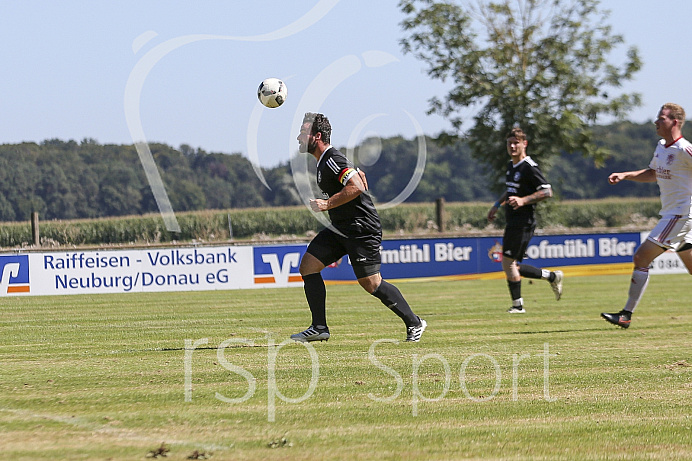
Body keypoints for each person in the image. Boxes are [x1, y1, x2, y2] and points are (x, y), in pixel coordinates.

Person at [290, 112, 426, 342]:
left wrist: (327, 204)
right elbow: (359, 181)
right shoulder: (323, 161)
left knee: (371, 283)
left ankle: (414, 322)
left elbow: (356, 186)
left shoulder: (332, 158)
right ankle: (319, 327)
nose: (299, 138)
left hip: (361, 228)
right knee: (308, 267)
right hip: (341, 227)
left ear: (318, 136)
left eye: (303, 133)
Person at [601, 103, 692, 329]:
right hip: (673, 214)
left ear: (675, 122)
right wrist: (626, 175)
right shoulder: (661, 147)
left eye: (661, 118)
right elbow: (653, 173)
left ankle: (625, 315)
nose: (656, 122)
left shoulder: (684, 149)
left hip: (680, 215)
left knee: (641, 258)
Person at [487, 127, 564, 313]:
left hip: (524, 221)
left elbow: (547, 191)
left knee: (508, 263)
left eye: (516, 143)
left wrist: (523, 200)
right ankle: (552, 277)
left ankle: (518, 305)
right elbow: (511, 190)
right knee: (511, 264)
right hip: (512, 220)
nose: (512, 146)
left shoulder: (529, 167)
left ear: (524, 144)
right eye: (509, 143)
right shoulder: (511, 166)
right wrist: (497, 204)